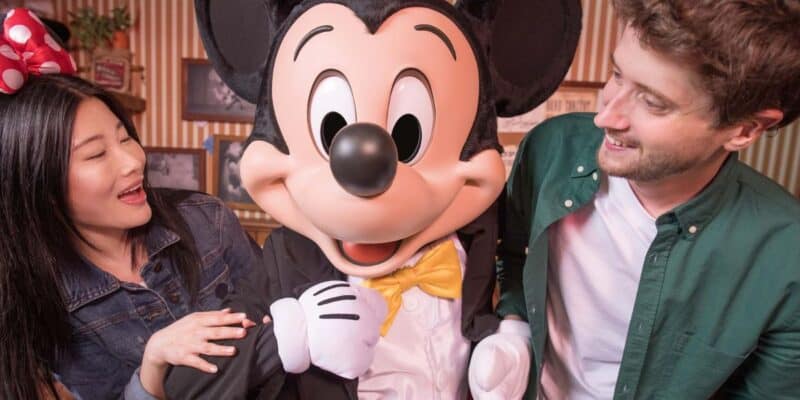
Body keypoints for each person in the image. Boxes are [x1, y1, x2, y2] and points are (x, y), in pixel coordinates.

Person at [469, 0, 800, 399]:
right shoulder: (550, 149)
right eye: (616, 75)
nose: (606, 116)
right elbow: (516, 257)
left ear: (746, 129)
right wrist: (515, 333)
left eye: (652, 101)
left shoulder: (786, 257)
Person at [0, 11, 266, 398]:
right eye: (96, 155)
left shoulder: (207, 221)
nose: (134, 160)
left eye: (125, 138)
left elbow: (279, 321)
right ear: (40, 185)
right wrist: (154, 365)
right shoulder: (39, 299)